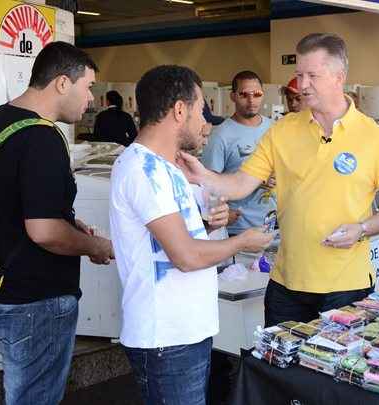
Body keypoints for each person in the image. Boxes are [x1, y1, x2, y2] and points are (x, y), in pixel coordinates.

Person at [176, 33, 379, 327]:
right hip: (286, 285)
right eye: (299, 74)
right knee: (278, 370)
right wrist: (204, 177)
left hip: (346, 286)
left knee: (334, 373)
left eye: (313, 75)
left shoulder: (373, 137)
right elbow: (240, 184)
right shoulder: (282, 130)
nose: (302, 85)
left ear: (339, 77)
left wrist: (362, 228)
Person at [109, 65, 272, 405]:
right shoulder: (142, 169)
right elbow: (184, 255)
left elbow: (178, 234)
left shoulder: (170, 167)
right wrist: (242, 241)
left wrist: (210, 224)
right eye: (201, 109)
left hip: (185, 332)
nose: (206, 121)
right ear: (179, 110)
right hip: (166, 339)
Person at [0, 41, 113, 405]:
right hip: (36, 300)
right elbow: (43, 230)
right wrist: (96, 246)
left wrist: (69, 223)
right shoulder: (42, 137)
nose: (91, 98)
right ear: (63, 83)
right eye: (88, 85)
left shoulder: (1, 121)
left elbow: (13, 204)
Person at [201, 71, 276, 236]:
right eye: (244, 95)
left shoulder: (275, 128)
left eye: (257, 94)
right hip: (239, 230)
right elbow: (207, 185)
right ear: (233, 96)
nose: (251, 101)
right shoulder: (220, 135)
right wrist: (219, 215)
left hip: (273, 226)